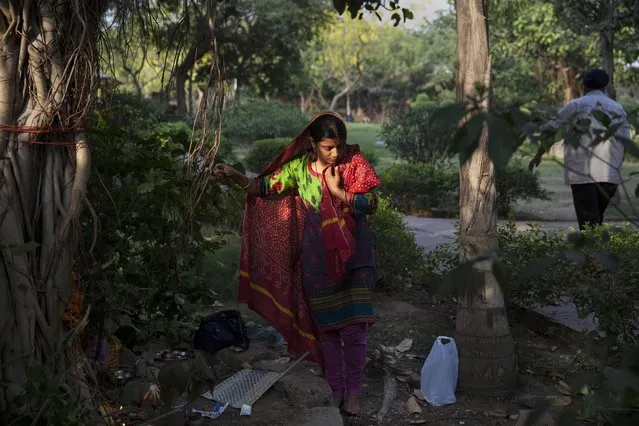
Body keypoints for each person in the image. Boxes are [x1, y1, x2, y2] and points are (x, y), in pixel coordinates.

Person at [213, 112, 381, 415]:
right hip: (317, 261)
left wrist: (337, 192)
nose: (335, 153)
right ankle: (336, 389)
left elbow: (371, 204)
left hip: (355, 259)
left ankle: (353, 393)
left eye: (339, 146)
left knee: (355, 330)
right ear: (312, 143)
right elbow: (261, 188)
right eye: (328, 147)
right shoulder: (299, 169)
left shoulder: (354, 164)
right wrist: (233, 174)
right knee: (328, 329)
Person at [529, 69, 632, 231]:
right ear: (606, 86)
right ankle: (598, 253)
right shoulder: (617, 108)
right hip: (610, 174)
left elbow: (550, 131)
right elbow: (626, 141)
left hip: (582, 175)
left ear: (584, 86)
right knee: (595, 222)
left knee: (589, 224)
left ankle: (592, 255)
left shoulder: (575, 106)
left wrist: (538, 154)